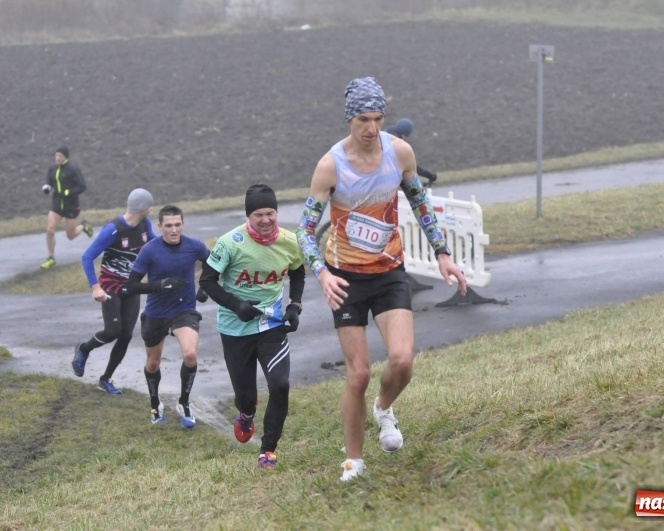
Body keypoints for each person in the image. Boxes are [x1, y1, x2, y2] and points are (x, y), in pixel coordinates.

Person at [296, 76, 468, 482]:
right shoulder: (330, 165)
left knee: (402, 360)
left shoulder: (400, 152)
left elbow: (419, 201)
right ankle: (354, 461)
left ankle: (383, 409)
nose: (371, 129)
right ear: (349, 120)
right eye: (362, 120)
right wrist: (320, 274)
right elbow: (304, 230)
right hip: (344, 278)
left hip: (389, 272)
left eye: (377, 118)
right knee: (356, 373)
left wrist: (442, 253)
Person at [199, 183, 306, 469]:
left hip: (271, 325)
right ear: (249, 216)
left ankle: (268, 451)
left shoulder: (290, 240)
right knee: (246, 397)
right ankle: (246, 414)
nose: (266, 219)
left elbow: (297, 272)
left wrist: (295, 305)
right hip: (235, 328)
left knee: (280, 385)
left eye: (270, 212)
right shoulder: (229, 242)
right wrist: (236, 305)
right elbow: (207, 281)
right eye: (259, 214)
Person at [124, 204, 210, 427]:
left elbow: (214, 265)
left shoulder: (194, 246)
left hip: (184, 311)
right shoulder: (150, 250)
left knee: (190, 355)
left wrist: (206, 287)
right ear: (160, 226)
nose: (174, 230)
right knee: (153, 363)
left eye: (178, 225)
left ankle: (184, 402)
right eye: (169, 226)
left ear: (183, 224)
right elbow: (131, 285)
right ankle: (155, 403)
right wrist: (159, 285)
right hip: (156, 313)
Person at [72, 188, 157, 395]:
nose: (151, 210)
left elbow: (156, 247)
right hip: (110, 287)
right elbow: (87, 257)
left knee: (126, 335)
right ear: (144, 208)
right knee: (112, 331)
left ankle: (105, 379)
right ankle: (84, 349)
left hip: (131, 287)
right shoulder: (113, 229)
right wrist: (95, 286)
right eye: (150, 206)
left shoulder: (145, 225)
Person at [40, 146, 93, 269]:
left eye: (60, 156)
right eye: (56, 155)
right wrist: (47, 187)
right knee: (50, 230)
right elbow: (49, 182)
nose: (57, 158)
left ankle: (83, 226)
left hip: (71, 206)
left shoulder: (73, 169)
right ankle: (51, 258)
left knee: (70, 236)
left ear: (66, 157)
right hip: (57, 205)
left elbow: (82, 186)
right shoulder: (52, 169)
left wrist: (69, 192)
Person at [385, 118, 437, 184]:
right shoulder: (399, 146)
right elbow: (413, 168)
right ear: (405, 135)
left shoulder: (384, 134)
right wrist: (430, 176)